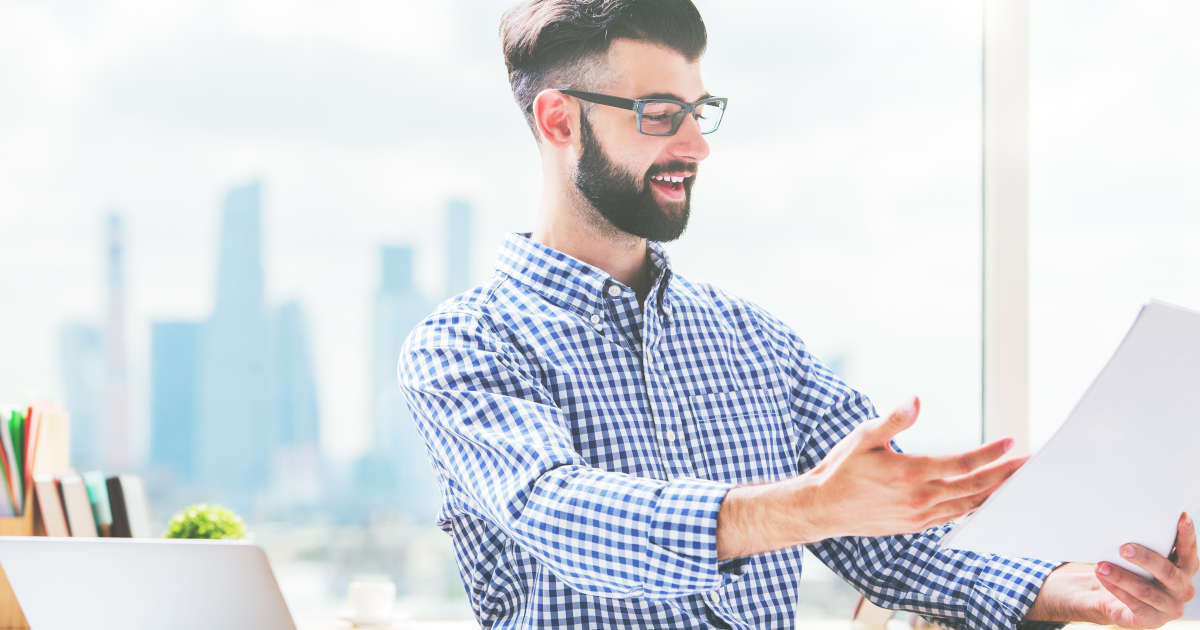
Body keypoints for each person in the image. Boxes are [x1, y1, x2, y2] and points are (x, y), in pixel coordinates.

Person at [397, 1, 1198, 628]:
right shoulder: (464, 347)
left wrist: (1083, 589)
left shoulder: (755, 343)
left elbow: (902, 550)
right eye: (657, 114)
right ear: (560, 120)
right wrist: (807, 505)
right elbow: (559, 511)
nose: (695, 147)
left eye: (697, 111)